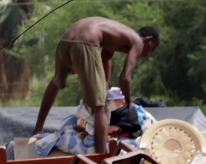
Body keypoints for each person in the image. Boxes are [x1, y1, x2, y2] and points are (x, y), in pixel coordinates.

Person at [32, 18, 160, 154]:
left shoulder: (117, 36)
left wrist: (104, 88)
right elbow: (124, 78)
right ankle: (101, 156)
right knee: (100, 107)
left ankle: (37, 129)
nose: (147, 54)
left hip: (65, 41)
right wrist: (129, 100)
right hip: (85, 43)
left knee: (56, 81)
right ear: (148, 40)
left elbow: (105, 59)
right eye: (151, 50)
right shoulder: (138, 42)